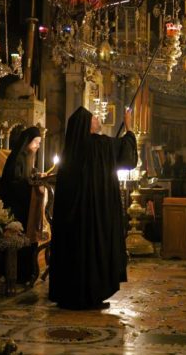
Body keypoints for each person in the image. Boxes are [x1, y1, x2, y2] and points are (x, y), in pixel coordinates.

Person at [49, 107, 137, 310]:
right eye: (94, 117)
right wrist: (129, 127)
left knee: (75, 251)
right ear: (87, 125)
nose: (97, 119)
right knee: (92, 250)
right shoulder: (99, 144)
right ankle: (91, 295)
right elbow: (127, 158)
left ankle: (69, 295)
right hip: (94, 215)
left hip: (73, 221)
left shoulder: (70, 151)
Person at [0, 126, 43, 284]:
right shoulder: (18, 158)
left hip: (25, 204)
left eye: (39, 142)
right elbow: (14, 183)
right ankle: (16, 274)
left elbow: (26, 177)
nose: (38, 146)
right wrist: (31, 183)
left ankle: (26, 273)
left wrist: (35, 177)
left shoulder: (29, 156)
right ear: (27, 142)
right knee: (19, 238)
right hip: (15, 205)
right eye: (36, 142)